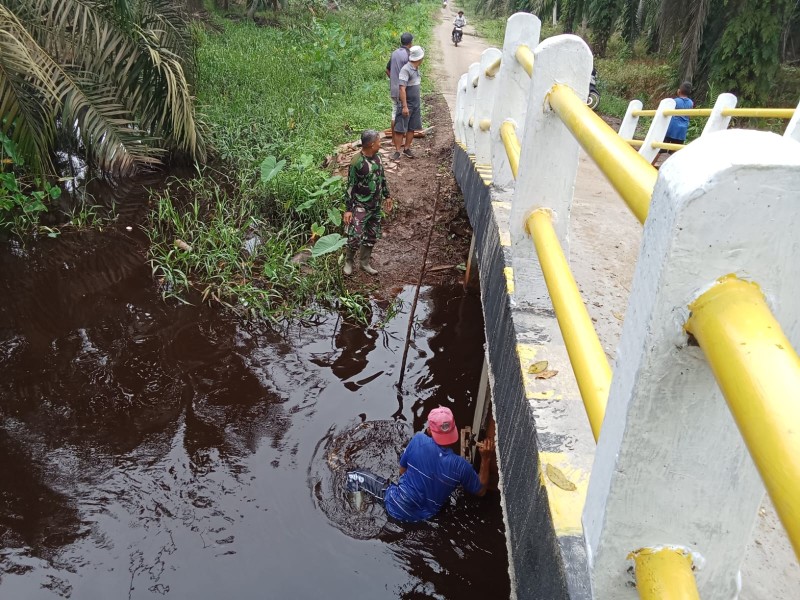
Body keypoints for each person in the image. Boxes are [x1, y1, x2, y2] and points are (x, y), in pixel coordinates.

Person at [346, 407, 496, 523]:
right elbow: (481, 491)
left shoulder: (418, 440)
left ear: (430, 430)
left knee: (353, 477)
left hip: (397, 506)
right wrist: (486, 458)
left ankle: (358, 514)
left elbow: (402, 472)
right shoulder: (461, 466)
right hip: (427, 516)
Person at [343, 130, 392, 276]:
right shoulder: (356, 162)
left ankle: (364, 263)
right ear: (371, 144)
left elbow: (382, 177)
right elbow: (350, 186)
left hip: (375, 205)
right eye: (378, 141)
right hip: (361, 206)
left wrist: (387, 196)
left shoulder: (378, 157)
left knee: (372, 234)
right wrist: (348, 209)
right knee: (355, 235)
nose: (380, 144)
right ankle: (348, 262)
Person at [394, 45, 424, 159]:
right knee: (400, 128)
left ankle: (407, 148)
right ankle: (397, 151)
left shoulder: (416, 69)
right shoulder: (406, 69)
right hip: (407, 104)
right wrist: (404, 106)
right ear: (419, 58)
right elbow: (402, 88)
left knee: (412, 127)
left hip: (415, 104)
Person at [386, 32, 413, 142]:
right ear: (410, 43)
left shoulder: (394, 53)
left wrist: (393, 80)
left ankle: (394, 140)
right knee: (405, 113)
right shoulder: (409, 55)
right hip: (404, 90)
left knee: (394, 114)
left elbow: (387, 70)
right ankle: (401, 141)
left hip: (394, 88)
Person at [664, 81, 693, 150]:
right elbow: (689, 116)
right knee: (675, 151)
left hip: (671, 129)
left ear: (679, 91)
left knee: (662, 148)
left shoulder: (674, 101)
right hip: (682, 132)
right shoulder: (691, 103)